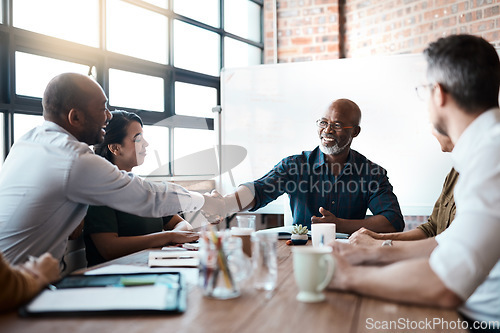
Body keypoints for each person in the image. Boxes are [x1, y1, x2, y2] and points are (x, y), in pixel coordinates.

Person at [327, 34, 500, 328]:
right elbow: (446, 243)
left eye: (425, 89)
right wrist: (372, 251)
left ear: (439, 93)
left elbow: (444, 285)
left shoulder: (491, 155)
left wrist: (344, 275)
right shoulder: (485, 148)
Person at [0, 73, 222, 267]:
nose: (107, 115)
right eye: (102, 108)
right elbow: (148, 197)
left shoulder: (28, 142)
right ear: (75, 117)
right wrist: (206, 202)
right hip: (18, 292)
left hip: (21, 281)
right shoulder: (73, 159)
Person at [213, 98, 404, 233]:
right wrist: (226, 203)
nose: (327, 130)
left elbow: (393, 221)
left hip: (350, 253)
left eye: (337, 125)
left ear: (355, 132)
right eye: (323, 122)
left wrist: (339, 225)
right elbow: (259, 190)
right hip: (299, 251)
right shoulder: (295, 165)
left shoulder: (371, 173)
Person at [84, 111, 198, 266]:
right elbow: (109, 248)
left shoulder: (143, 189)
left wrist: (174, 234)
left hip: (150, 272)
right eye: (137, 138)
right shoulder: (100, 190)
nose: (146, 143)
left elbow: (185, 226)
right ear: (115, 148)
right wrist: (169, 236)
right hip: (114, 280)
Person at [349, 129, 458, 247]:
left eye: (438, 125)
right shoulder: (454, 172)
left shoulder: (478, 177)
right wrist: (379, 238)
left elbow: (453, 247)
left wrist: (381, 244)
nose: (433, 132)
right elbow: (431, 229)